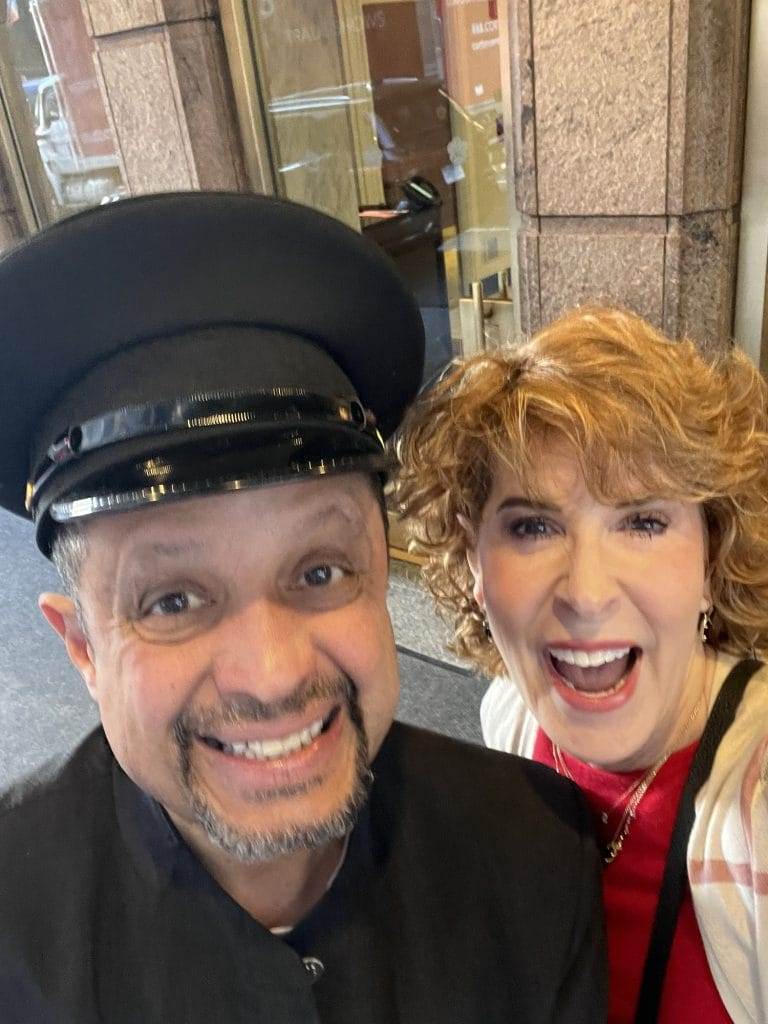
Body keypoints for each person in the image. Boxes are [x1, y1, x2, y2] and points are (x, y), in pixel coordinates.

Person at [0, 193, 606, 1024]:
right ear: (82, 648)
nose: (274, 672)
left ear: (380, 573)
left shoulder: (535, 857)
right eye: (173, 600)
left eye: (320, 573)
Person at [396, 305, 768, 1023]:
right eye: (533, 527)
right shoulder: (513, 719)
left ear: (711, 558)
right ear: (475, 561)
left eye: (642, 522)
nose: (587, 595)